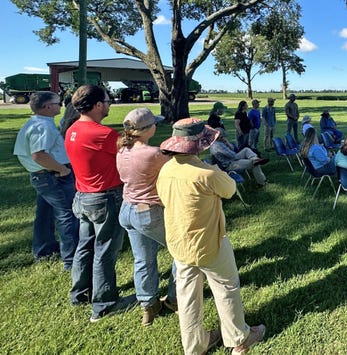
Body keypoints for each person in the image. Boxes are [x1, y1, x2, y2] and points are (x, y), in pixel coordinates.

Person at [156, 118, 265, 355]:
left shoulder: (165, 169)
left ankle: (195, 346)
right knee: (226, 288)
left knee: (187, 297)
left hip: (178, 242)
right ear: (199, 144)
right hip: (209, 242)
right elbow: (230, 189)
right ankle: (240, 338)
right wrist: (215, 169)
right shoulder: (206, 173)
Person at [64, 85, 129, 322]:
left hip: (82, 197)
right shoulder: (101, 133)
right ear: (98, 105)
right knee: (105, 250)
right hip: (104, 198)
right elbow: (128, 150)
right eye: (107, 100)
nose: (110, 103)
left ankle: (79, 293)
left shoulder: (73, 129)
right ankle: (104, 303)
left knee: (85, 247)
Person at [116, 108, 178, 326]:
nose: (156, 127)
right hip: (148, 211)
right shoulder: (153, 154)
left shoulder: (122, 150)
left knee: (143, 260)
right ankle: (175, 299)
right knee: (181, 252)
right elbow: (178, 167)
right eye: (154, 124)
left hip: (127, 210)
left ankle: (148, 305)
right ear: (146, 129)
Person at [13, 91, 78, 271]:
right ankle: (71, 260)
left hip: (43, 176)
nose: (60, 106)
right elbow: (39, 155)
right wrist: (62, 169)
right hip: (52, 176)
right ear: (48, 107)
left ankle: (44, 249)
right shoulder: (43, 127)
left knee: (44, 213)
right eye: (57, 103)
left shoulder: (35, 123)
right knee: (67, 215)